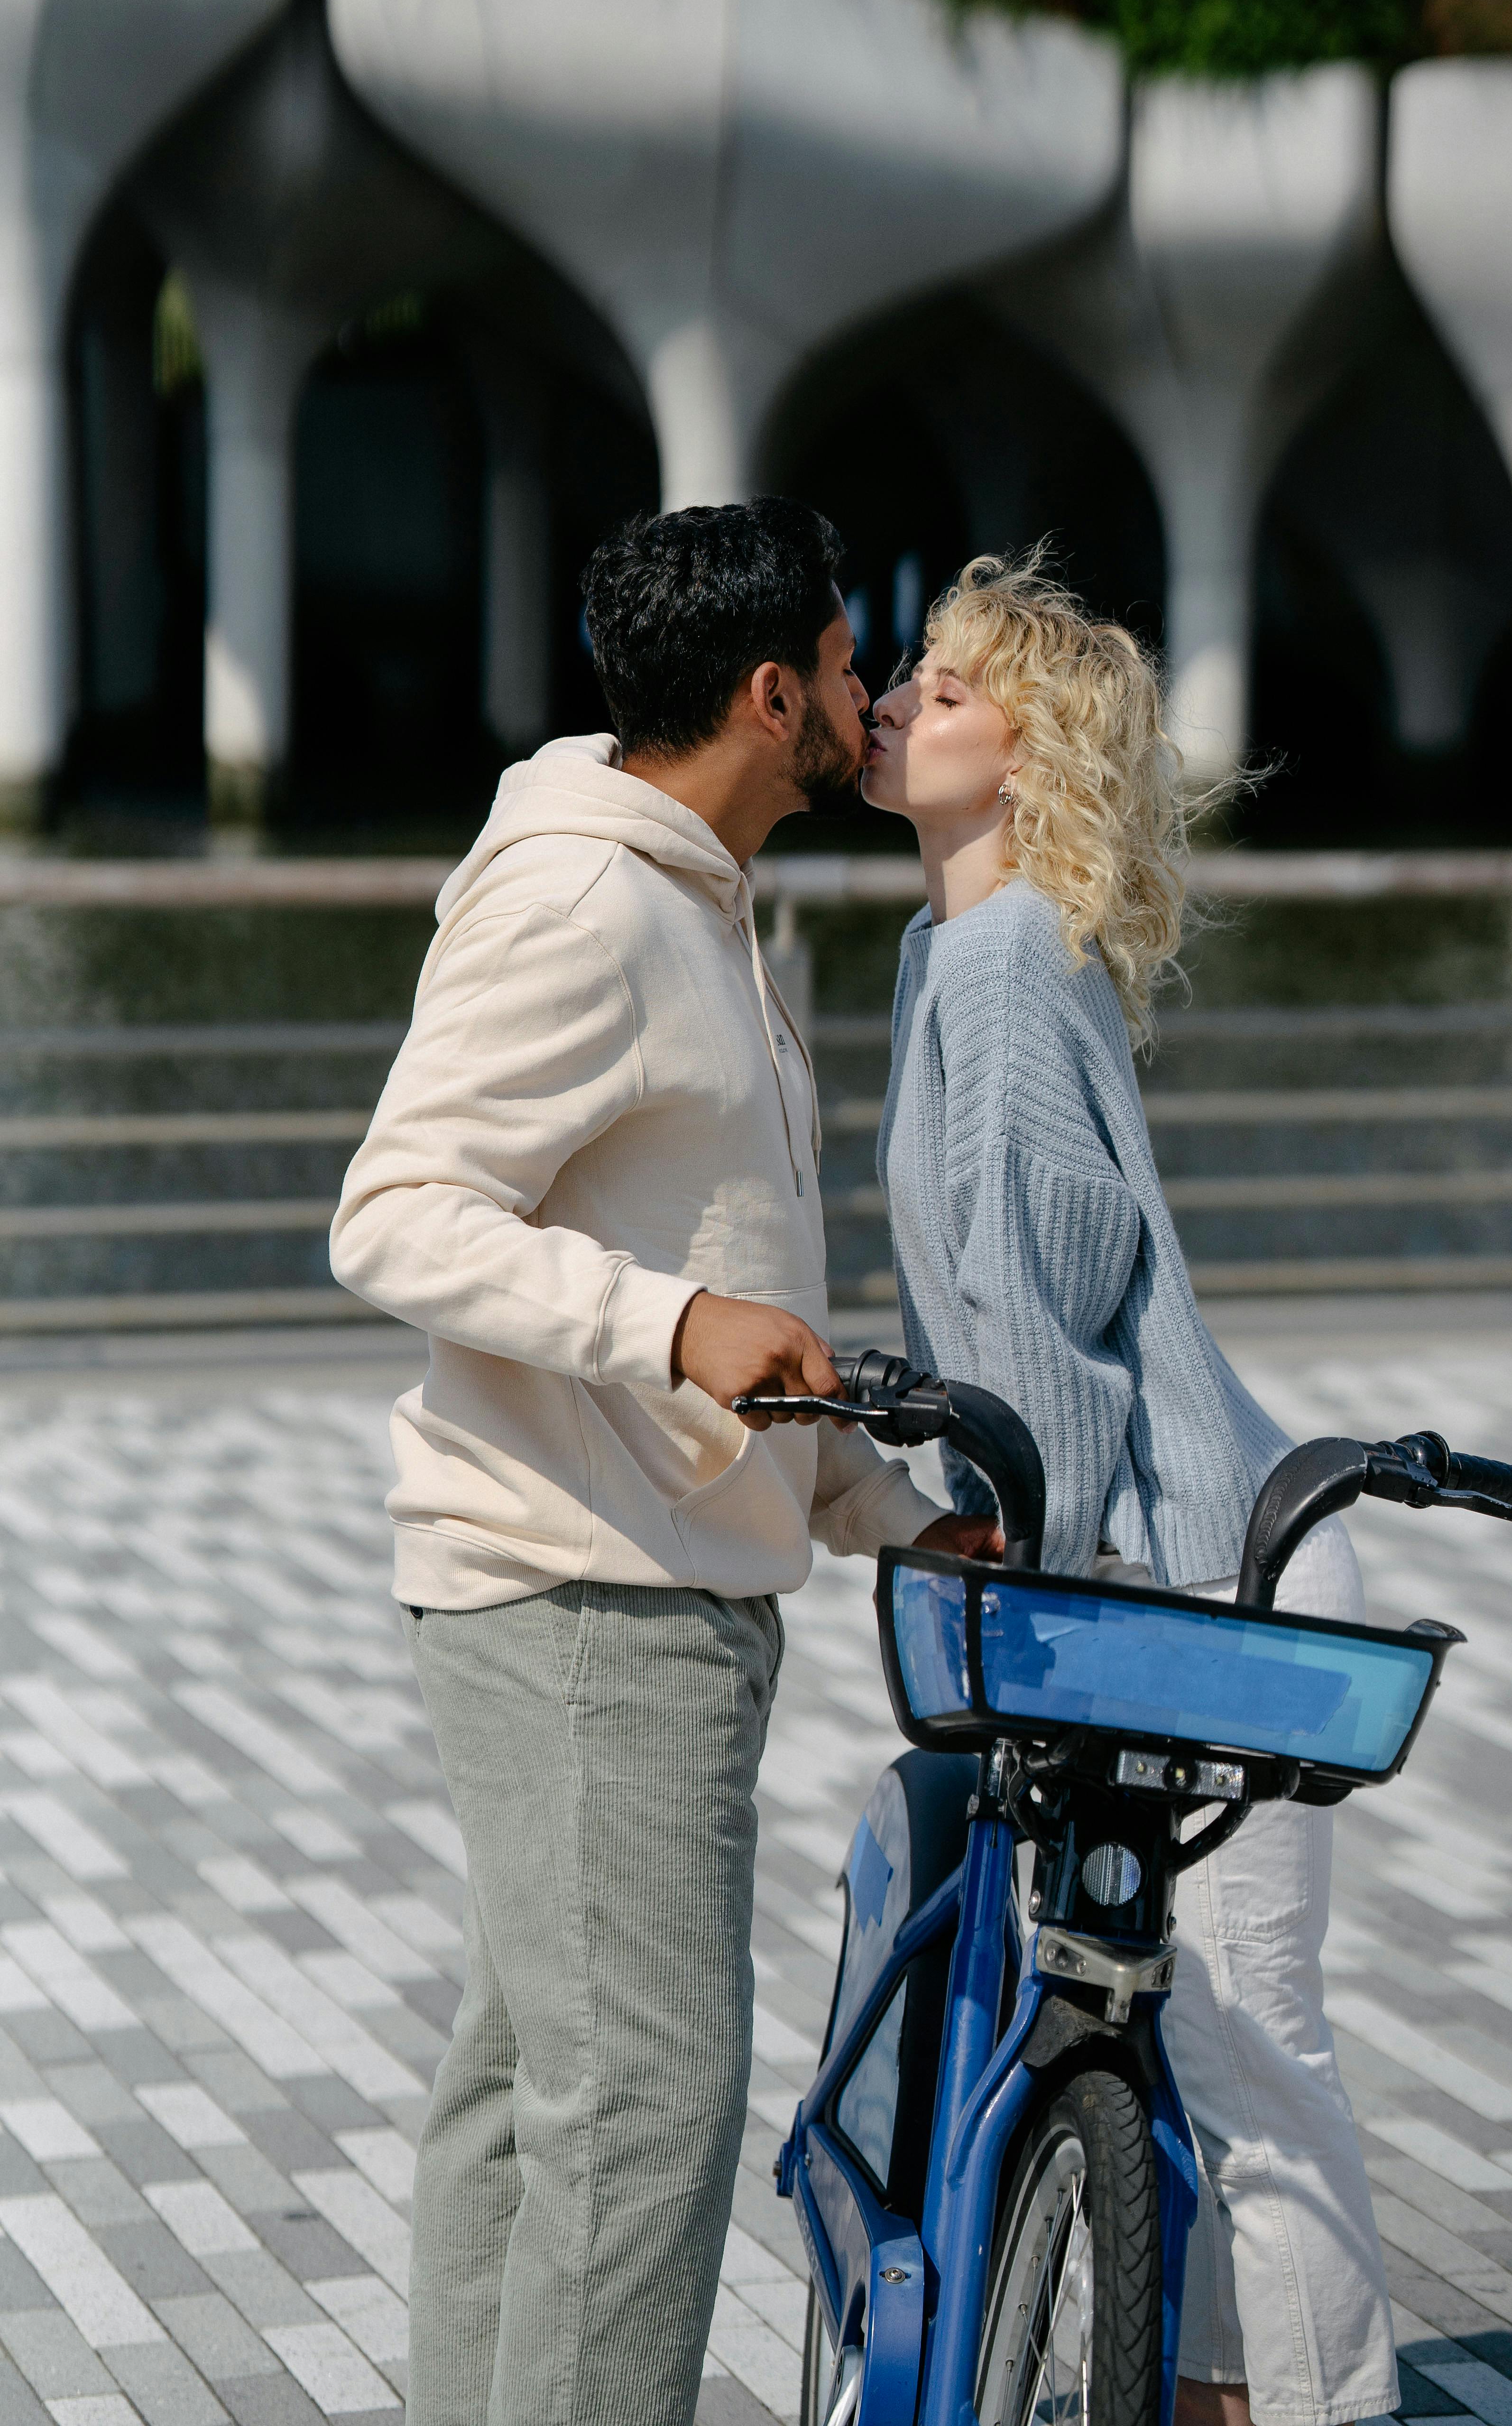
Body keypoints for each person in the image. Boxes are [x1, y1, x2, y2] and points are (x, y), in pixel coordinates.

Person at [330, 499, 994, 2426]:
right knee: (642, 2116)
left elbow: (734, 1277)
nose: (870, 698)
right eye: (853, 665)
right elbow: (399, 1213)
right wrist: (666, 1329)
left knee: (536, 2108)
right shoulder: (589, 902)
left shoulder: (696, 893)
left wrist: (881, 1505)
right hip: (583, 1594)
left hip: (630, 1569)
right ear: (773, 692)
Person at [859, 554, 1400, 2426]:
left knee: (1255, 2066)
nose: (892, 705)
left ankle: (1316, 2410)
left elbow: (1041, 1319)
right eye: (905, 680)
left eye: (937, 690)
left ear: (1026, 756)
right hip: (1142, 1581)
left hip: (1200, 1584)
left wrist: (1022, 1535)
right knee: (1174, 2046)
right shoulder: (953, 947)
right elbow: (991, 1309)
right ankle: (1208, 2396)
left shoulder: (1002, 964)